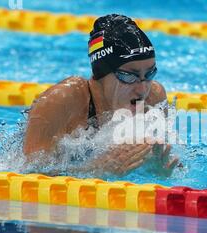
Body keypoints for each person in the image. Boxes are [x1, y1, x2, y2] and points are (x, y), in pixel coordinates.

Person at [23, 14, 179, 176]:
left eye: (149, 74)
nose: (142, 90)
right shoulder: (61, 101)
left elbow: (165, 162)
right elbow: (30, 174)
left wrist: (157, 171)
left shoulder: (154, 97)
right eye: (128, 76)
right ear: (102, 73)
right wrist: (94, 170)